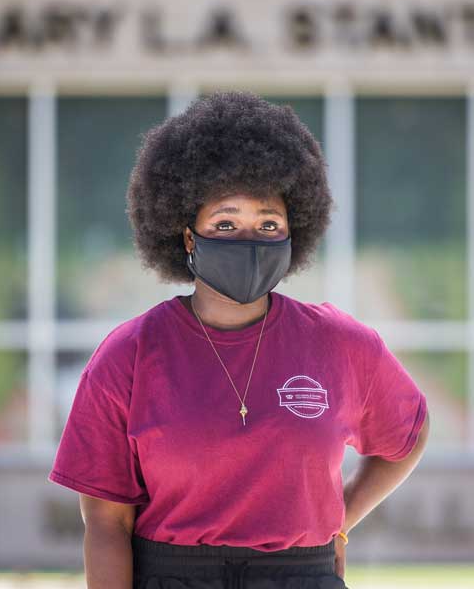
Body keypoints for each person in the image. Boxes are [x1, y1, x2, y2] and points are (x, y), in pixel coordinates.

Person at [48, 90, 430, 589]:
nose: (248, 240)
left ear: (295, 230)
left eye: (268, 223)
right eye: (225, 223)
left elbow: (408, 434)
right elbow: (105, 523)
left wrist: (341, 519)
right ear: (188, 235)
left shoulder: (338, 344)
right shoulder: (129, 354)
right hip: (173, 576)